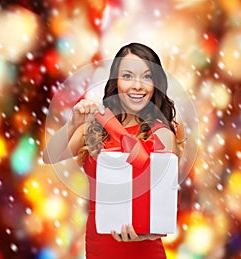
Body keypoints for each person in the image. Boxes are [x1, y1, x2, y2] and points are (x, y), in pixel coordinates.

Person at [43, 42, 181, 258]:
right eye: (127, 76)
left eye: (146, 77)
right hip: (99, 249)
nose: (137, 85)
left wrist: (146, 235)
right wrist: (73, 123)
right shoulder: (96, 126)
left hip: (144, 251)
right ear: (116, 82)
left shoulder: (162, 134)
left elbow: (164, 206)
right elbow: (50, 155)